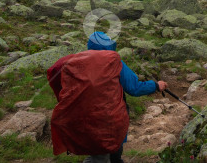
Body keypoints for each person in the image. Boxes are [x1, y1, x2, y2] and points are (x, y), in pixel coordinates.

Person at [49, 31, 168, 163]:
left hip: (82, 117)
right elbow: (134, 88)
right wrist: (156, 86)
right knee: (105, 154)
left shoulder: (76, 62)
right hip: (108, 118)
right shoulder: (114, 62)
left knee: (99, 152)